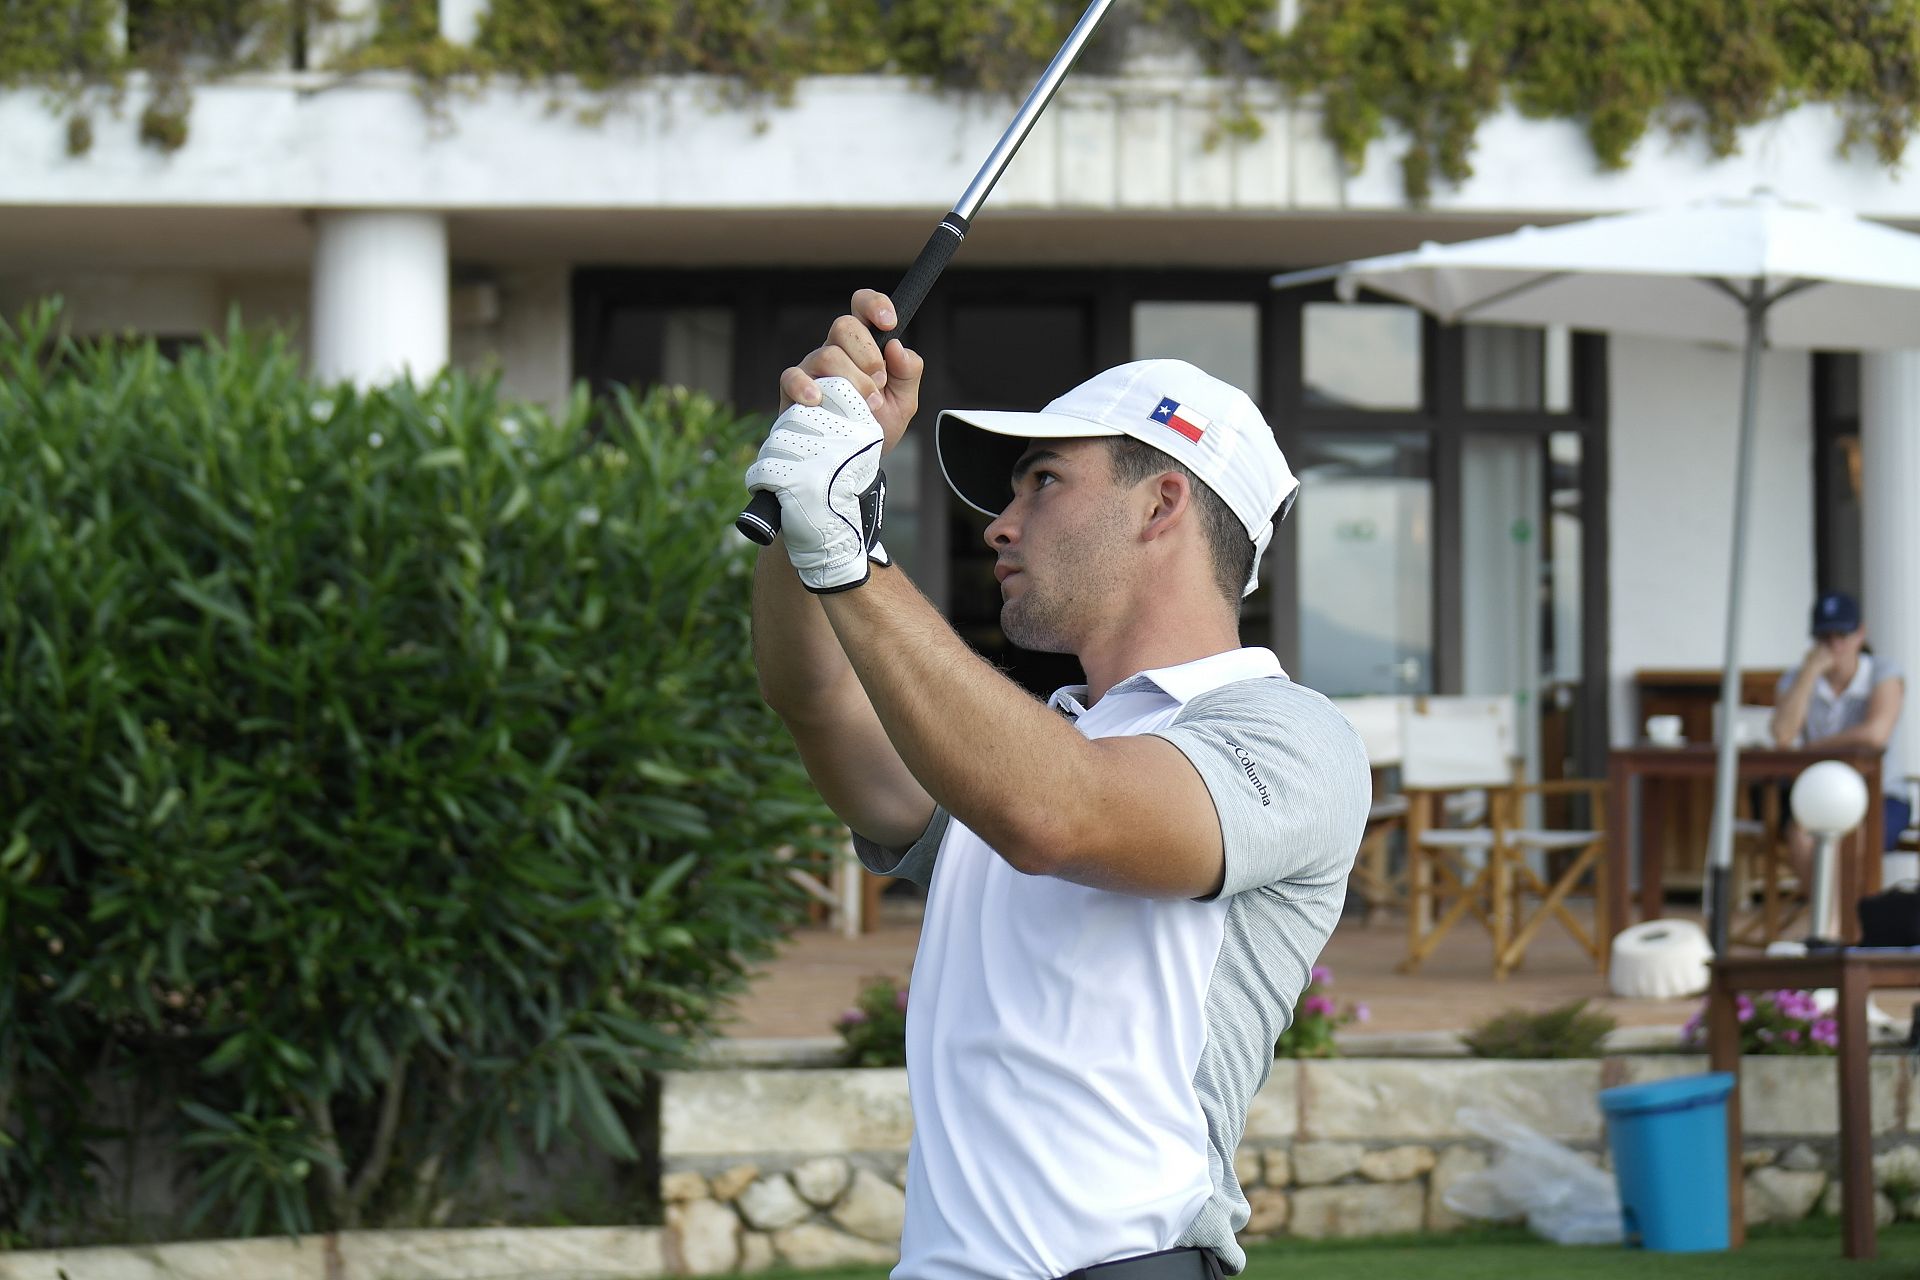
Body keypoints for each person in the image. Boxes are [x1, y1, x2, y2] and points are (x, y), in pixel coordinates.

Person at [746, 289, 1370, 1280]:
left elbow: (1065, 815)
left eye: (1042, 480)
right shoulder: (1030, 749)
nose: (1000, 524)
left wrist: (850, 551)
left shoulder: (1293, 735)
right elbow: (815, 699)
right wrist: (812, 505)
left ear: (1162, 501)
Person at [1771, 591, 1908, 882]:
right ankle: (1835, 923)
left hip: (1880, 794)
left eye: (1842, 635)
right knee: (1803, 836)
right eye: (1825, 637)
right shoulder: (1797, 678)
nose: (1834, 645)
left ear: (1860, 634)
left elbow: (1875, 735)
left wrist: (1813, 748)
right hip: (1817, 792)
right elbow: (1783, 735)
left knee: (1850, 839)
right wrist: (1809, 673)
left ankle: (1835, 924)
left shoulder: (1881, 672)